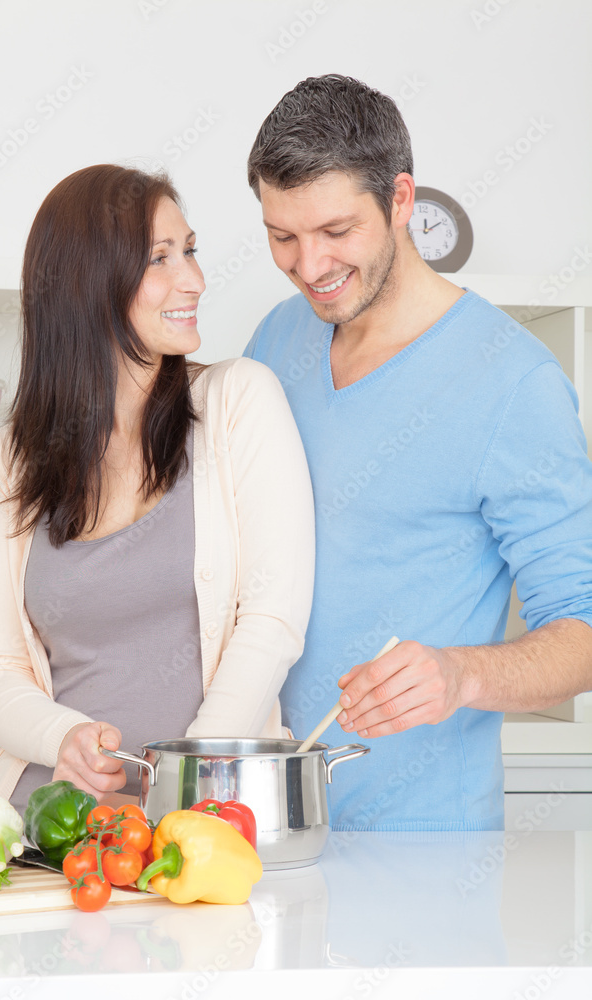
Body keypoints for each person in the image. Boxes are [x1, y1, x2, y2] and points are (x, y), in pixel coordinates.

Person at [244, 74, 592, 830]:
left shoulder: (514, 383)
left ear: (401, 200)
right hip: (254, 827)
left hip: (423, 851)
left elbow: (583, 628)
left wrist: (459, 672)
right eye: (282, 237)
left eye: (336, 232)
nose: (308, 266)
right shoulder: (276, 338)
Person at [0, 164, 315, 812]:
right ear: (85, 284)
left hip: (202, 833)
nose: (194, 279)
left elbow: (271, 621)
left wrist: (184, 792)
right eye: (160, 258)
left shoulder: (239, 401)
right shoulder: (9, 462)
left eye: (190, 250)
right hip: (48, 833)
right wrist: (62, 736)